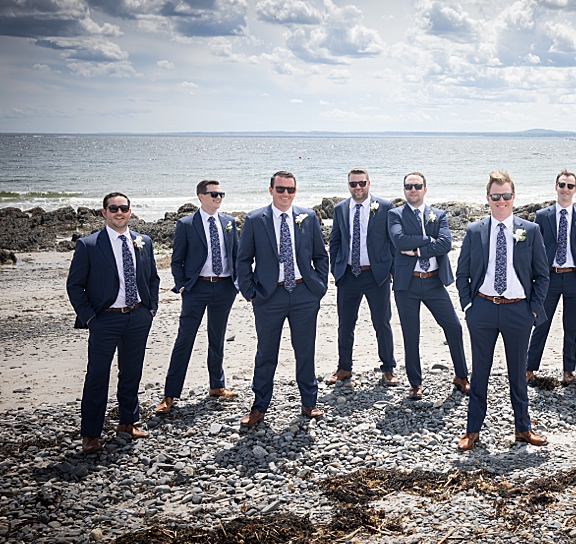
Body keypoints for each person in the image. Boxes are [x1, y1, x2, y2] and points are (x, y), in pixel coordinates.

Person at [455, 171, 550, 451]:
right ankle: (472, 430)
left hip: (517, 311)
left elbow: (542, 275)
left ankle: (523, 429)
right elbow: (462, 274)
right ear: (488, 198)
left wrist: (532, 310)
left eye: (506, 195)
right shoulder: (475, 231)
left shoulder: (529, 231)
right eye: (495, 196)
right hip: (482, 309)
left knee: (517, 373)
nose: (501, 201)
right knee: (480, 373)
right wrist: (469, 306)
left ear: (513, 197)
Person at [66, 192, 159, 454]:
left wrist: (151, 308)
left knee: (131, 373)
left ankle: (128, 423)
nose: (119, 212)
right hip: (104, 319)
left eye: (124, 208)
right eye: (114, 208)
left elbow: (152, 277)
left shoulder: (144, 241)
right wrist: (90, 318)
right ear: (104, 212)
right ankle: (91, 435)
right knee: (97, 376)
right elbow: (75, 285)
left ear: (130, 211)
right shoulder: (89, 244)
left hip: (138, 316)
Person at [235, 171, 329, 426]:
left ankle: (309, 402)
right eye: (280, 189)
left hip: (304, 294)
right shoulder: (255, 219)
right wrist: (250, 292)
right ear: (271, 190)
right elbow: (243, 260)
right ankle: (259, 407)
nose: (285, 194)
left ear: (295, 192)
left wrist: (318, 287)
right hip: (268, 296)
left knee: (305, 350)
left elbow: (321, 255)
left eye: (290, 190)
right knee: (266, 353)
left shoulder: (308, 217)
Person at [158, 179, 240, 414]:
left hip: (224, 288)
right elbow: (177, 260)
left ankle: (217, 386)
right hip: (197, 289)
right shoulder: (186, 224)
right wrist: (182, 286)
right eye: (213, 194)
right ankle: (170, 394)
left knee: (218, 337)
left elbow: (236, 256)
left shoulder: (229, 222)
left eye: (221, 194)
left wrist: (236, 283)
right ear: (201, 196)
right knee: (185, 340)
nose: (218, 198)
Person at [388, 172, 469, 399]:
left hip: (434, 281)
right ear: (404, 190)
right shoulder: (394, 215)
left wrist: (418, 250)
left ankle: (461, 376)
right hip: (407, 284)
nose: (412, 190)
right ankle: (415, 383)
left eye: (417, 186)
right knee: (411, 334)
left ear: (425, 188)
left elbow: (446, 243)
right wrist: (428, 240)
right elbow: (398, 240)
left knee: (454, 327)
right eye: (408, 186)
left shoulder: (438, 214)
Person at [327, 168, 398, 386]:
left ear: (369, 183)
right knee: (345, 324)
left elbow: (392, 240)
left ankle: (388, 369)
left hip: (376, 276)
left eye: (361, 183)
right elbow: (335, 240)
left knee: (382, 323)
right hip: (348, 275)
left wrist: (391, 270)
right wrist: (335, 268)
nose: (358, 187)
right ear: (348, 185)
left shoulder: (385, 207)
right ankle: (344, 368)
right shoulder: (340, 209)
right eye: (353, 184)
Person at [525, 170, 576, 386]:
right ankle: (528, 368)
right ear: (556, 187)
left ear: (575, 189)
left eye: (570, 186)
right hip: (550, 278)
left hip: (575, 278)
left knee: (571, 327)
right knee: (541, 323)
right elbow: (534, 249)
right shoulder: (542, 216)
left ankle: (569, 371)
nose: (565, 189)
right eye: (562, 184)